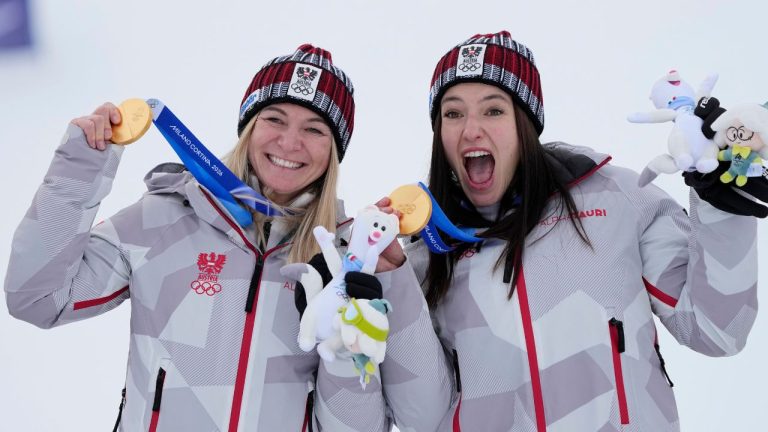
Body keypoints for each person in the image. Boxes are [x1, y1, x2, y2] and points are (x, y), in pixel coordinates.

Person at [376, 30, 765, 431]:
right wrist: (392, 279)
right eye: (453, 113)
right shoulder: (427, 255)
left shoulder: (619, 201)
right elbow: (424, 420)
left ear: (524, 123)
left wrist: (721, 204)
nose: (471, 130)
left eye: (493, 111)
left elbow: (718, 330)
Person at [4, 44, 388, 431]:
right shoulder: (164, 218)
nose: (289, 143)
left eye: (314, 129)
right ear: (250, 126)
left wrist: (346, 352)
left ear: (334, 151)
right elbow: (37, 298)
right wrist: (79, 166)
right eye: (275, 118)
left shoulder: (342, 263)